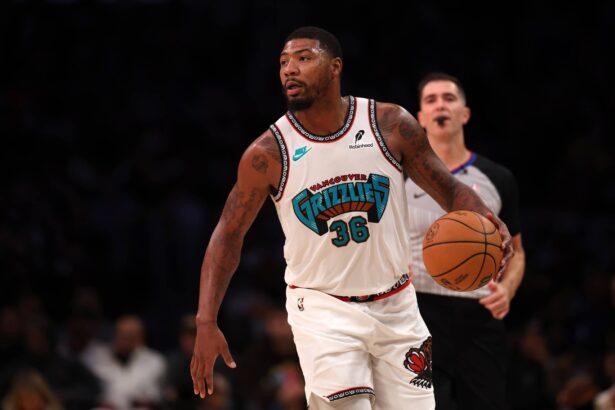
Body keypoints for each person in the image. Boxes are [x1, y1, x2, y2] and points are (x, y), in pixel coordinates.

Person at [190, 27, 512, 410]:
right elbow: (228, 234)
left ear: (335, 66)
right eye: (283, 62)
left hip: (397, 304)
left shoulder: (389, 124)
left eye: (304, 58)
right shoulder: (268, 153)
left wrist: (487, 221)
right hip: (323, 309)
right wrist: (205, 321)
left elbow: (449, 189)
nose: (290, 69)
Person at [406, 72, 526, 409]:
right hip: (418, 311)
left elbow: (517, 252)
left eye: (449, 98)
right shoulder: (400, 174)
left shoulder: (497, 178)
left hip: (479, 312)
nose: (440, 105)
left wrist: (507, 289)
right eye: (431, 100)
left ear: (465, 113)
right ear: (420, 118)